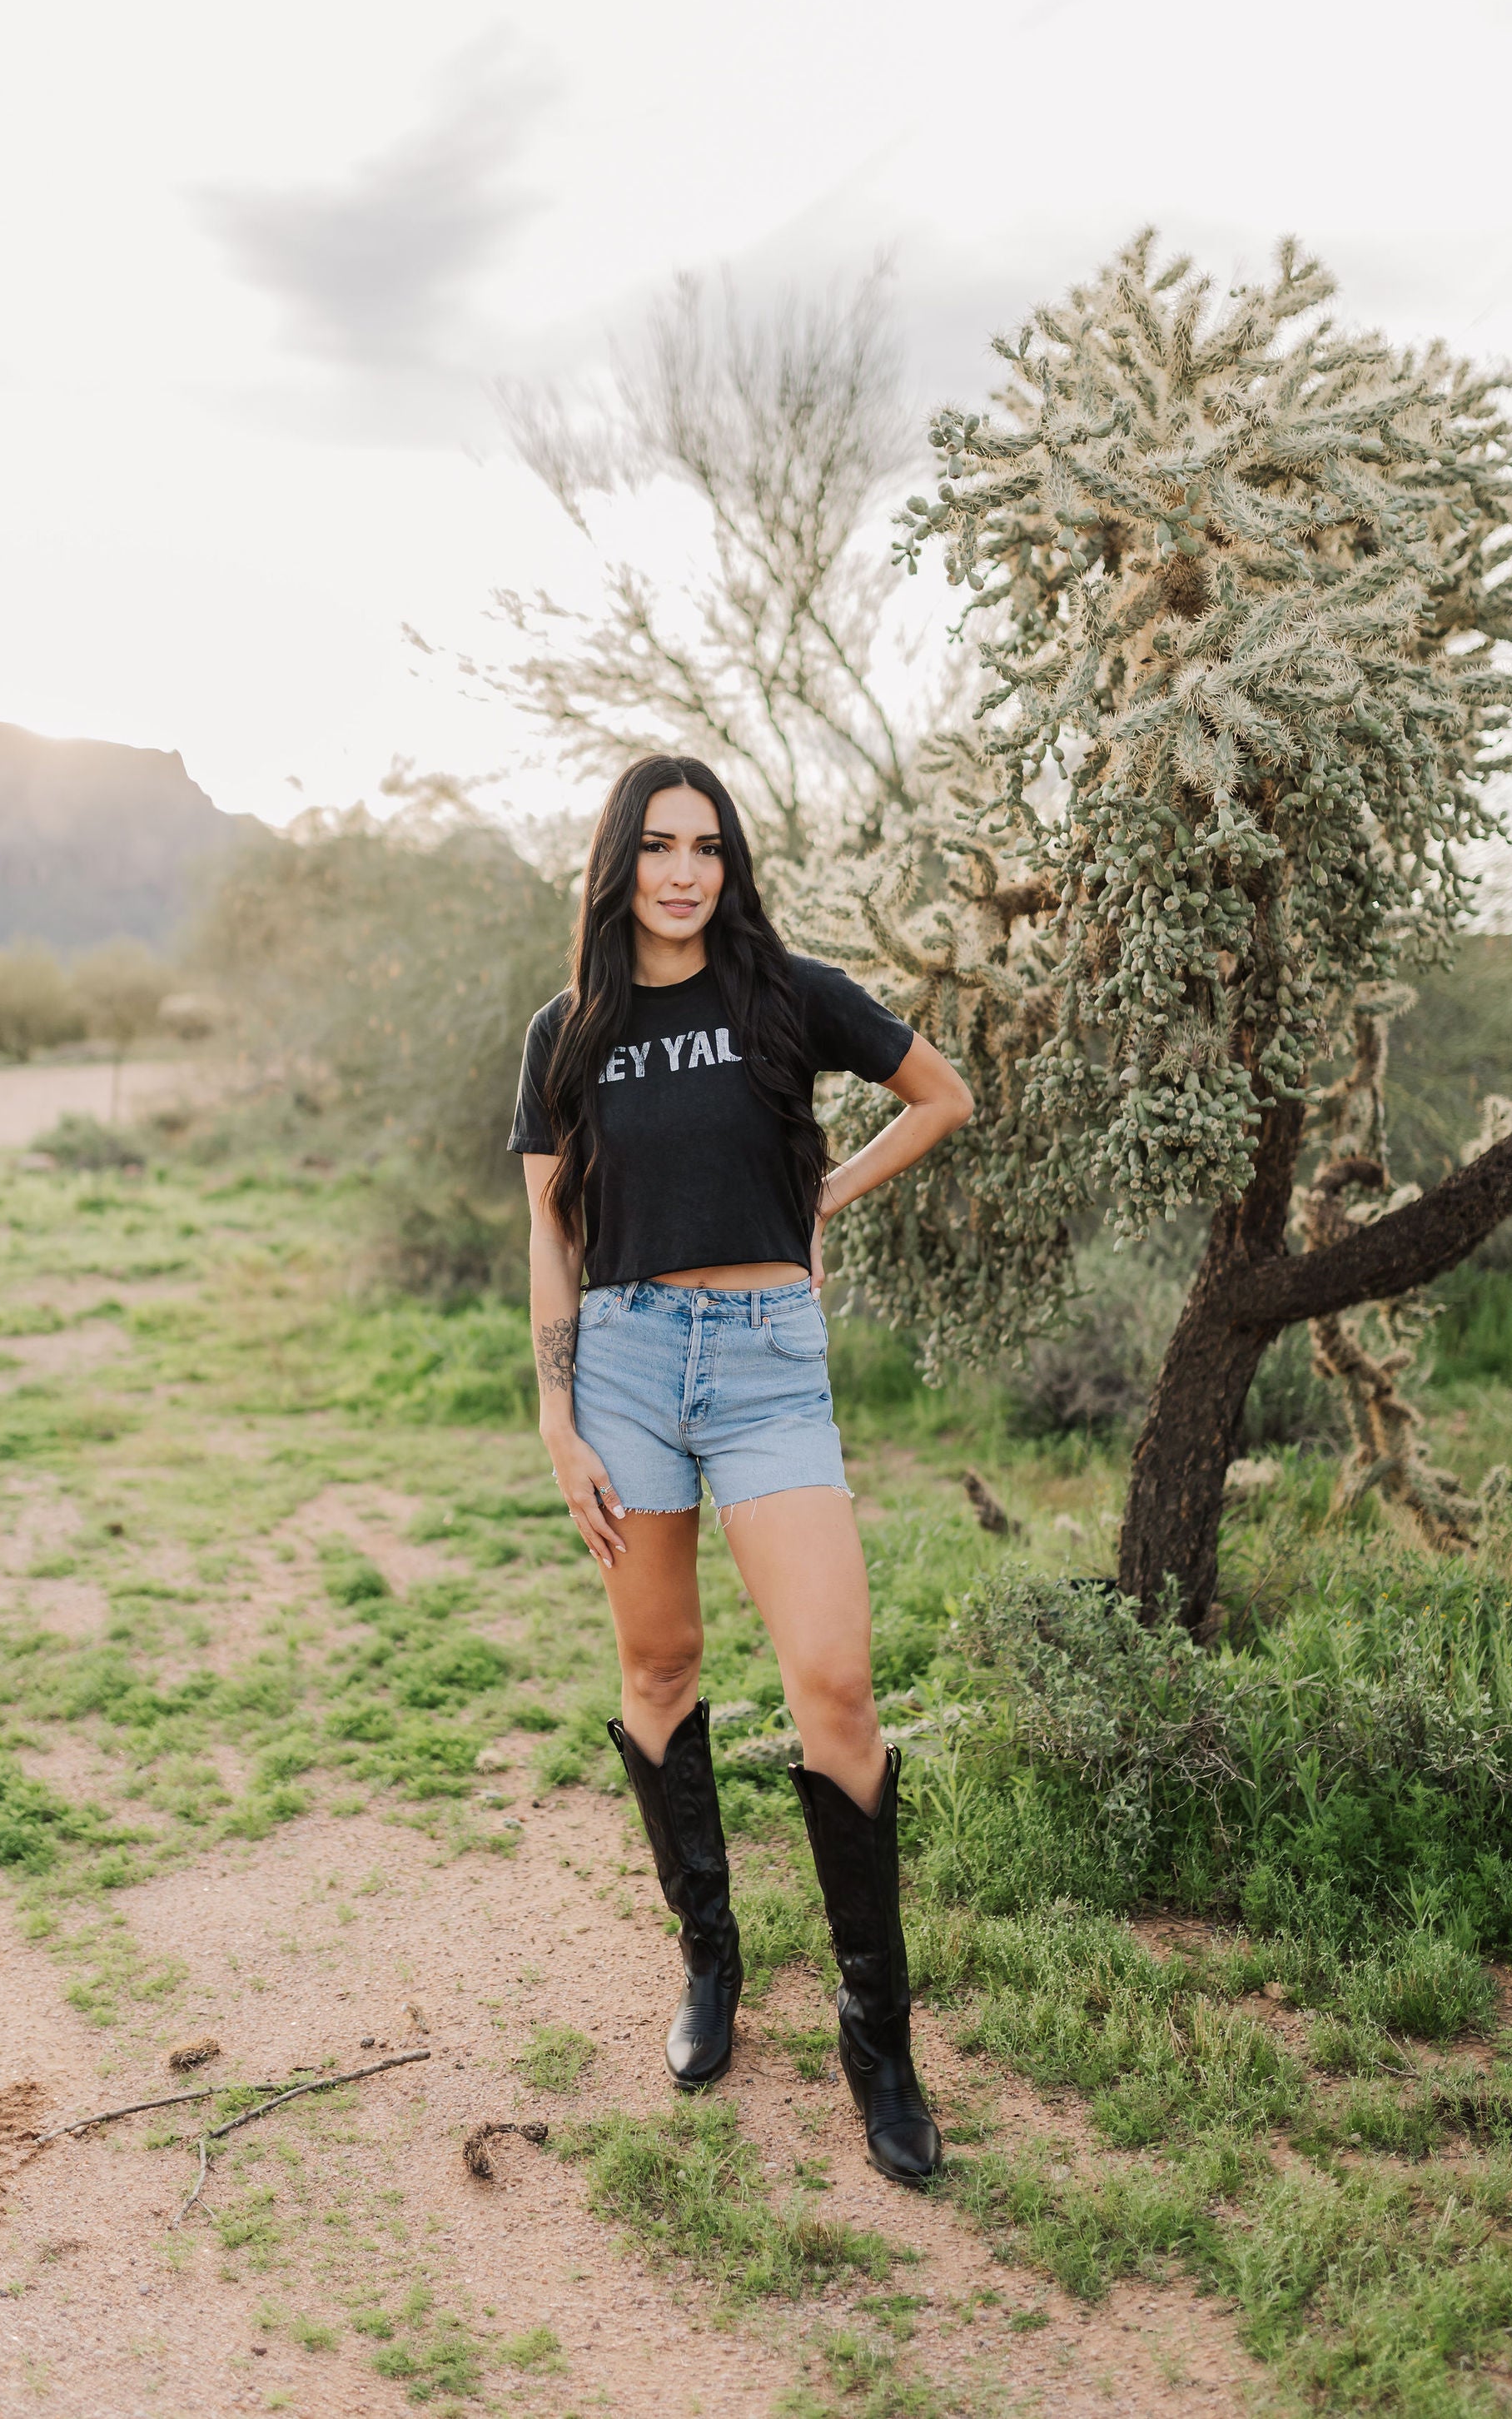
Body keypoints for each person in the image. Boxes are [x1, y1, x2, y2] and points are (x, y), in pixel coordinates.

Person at [509, 754, 972, 2188]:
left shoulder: (786, 991)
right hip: (631, 1363)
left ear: (731, 862)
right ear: (620, 864)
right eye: (658, 846)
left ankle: (876, 2037)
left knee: (833, 1684)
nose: (684, 872)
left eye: (707, 846)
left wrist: (811, 1197)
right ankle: (711, 1961)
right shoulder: (567, 1029)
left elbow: (942, 1095)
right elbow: (553, 1229)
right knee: (660, 1670)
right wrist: (558, 1413)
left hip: (769, 1362)